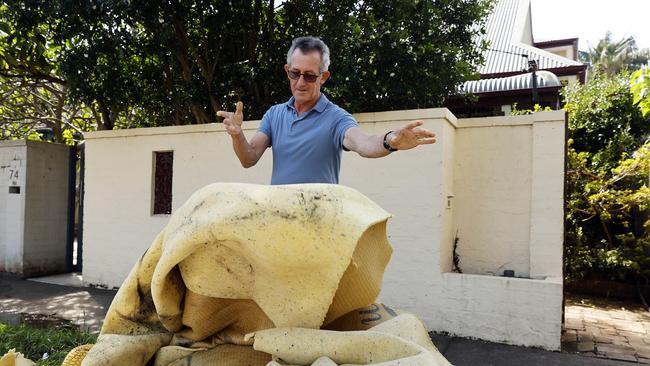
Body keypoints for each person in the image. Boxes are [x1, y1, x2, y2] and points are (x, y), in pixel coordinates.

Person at [217, 36, 436, 185]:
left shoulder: (336, 118)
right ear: (287, 71)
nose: (301, 82)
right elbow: (249, 158)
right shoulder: (275, 115)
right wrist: (238, 135)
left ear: (324, 77)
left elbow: (364, 144)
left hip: (321, 228)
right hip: (278, 226)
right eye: (295, 73)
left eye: (310, 75)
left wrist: (391, 141)